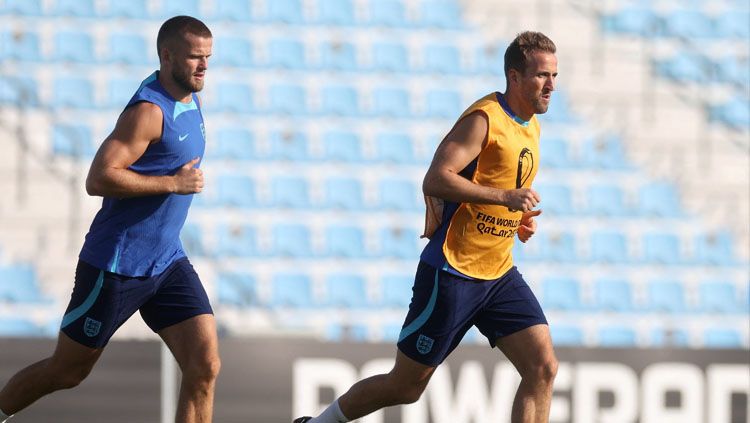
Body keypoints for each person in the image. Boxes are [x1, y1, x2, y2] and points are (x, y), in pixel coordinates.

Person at [295, 31, 559, 423]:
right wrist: (504, 200)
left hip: (498, 273)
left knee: (543, 368)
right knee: (406, 386)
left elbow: (494, 184)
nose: (551, 85)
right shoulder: (483, 120)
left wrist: (514, 220)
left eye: (555, 75)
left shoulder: (531, 124)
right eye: (541, 75)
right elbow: (436, 178)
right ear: (514, 77)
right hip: (452, 272)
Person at [0, 16, 219, 423]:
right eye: (194, 58)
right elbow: (98, 177)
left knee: (204, 365)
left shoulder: (193, 96)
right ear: (167, 55)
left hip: (167, 261)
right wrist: (172, 182)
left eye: (208, 57)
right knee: (66, 371)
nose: (204, 67)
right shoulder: (148, 112)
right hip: (118, 265)